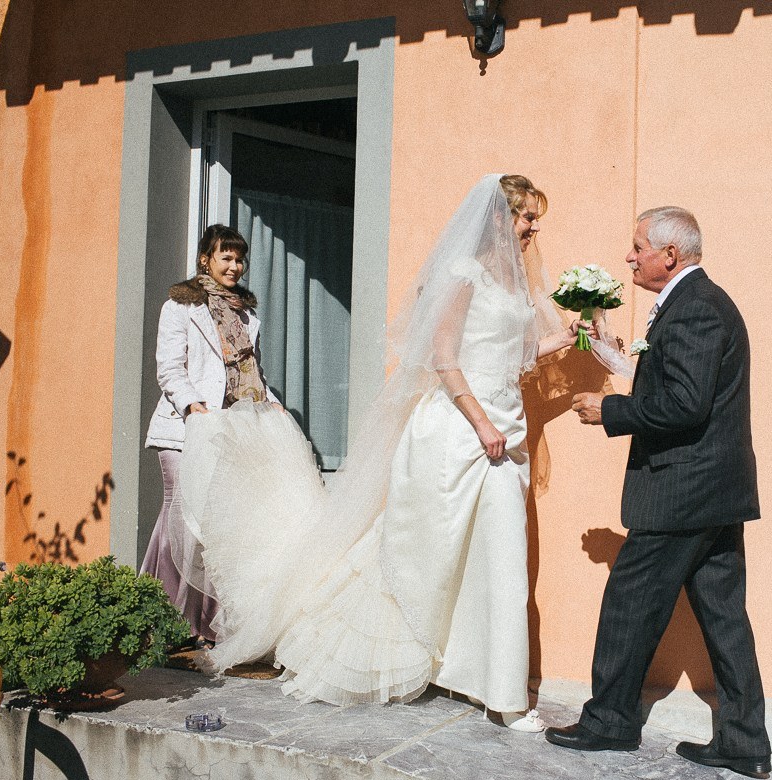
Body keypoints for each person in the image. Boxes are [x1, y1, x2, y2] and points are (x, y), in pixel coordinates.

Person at [181, 174, 606, 730]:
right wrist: (481, 425)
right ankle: (408, 658)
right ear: (501, 218)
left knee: (499, 554)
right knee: (422, 556)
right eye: (527, 217)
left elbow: (520, 350)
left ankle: (501, 693)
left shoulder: (514, 283)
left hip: (507, 430)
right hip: (459, 432)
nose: (534, 227)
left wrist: (578, 333)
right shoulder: (461, 275)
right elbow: (443, 357)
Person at [547, 206, 772, 779]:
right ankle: (744, 743)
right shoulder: (696, 302)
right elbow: (676, 383)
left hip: (683, 490)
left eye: (638, 246)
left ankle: (609, 723)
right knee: (723, 617)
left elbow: (685, 405)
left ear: (669, 255)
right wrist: (612, 355)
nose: (630, 256)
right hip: (713, 492)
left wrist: (610, 409)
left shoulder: (694, 308)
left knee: (629, 603)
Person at [142, 223, 281, 646]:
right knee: (180, 516)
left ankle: (199, 625)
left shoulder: (246, 316)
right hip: (185, 430)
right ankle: (160, 618)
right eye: (226, 257)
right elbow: (170, 367)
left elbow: (251, 373)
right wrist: (192, 406)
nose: (235, 266)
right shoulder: (181, 306)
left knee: (213, 527)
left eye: (239, 259)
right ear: (206, 259)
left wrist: (270, 402)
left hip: (226, 430)